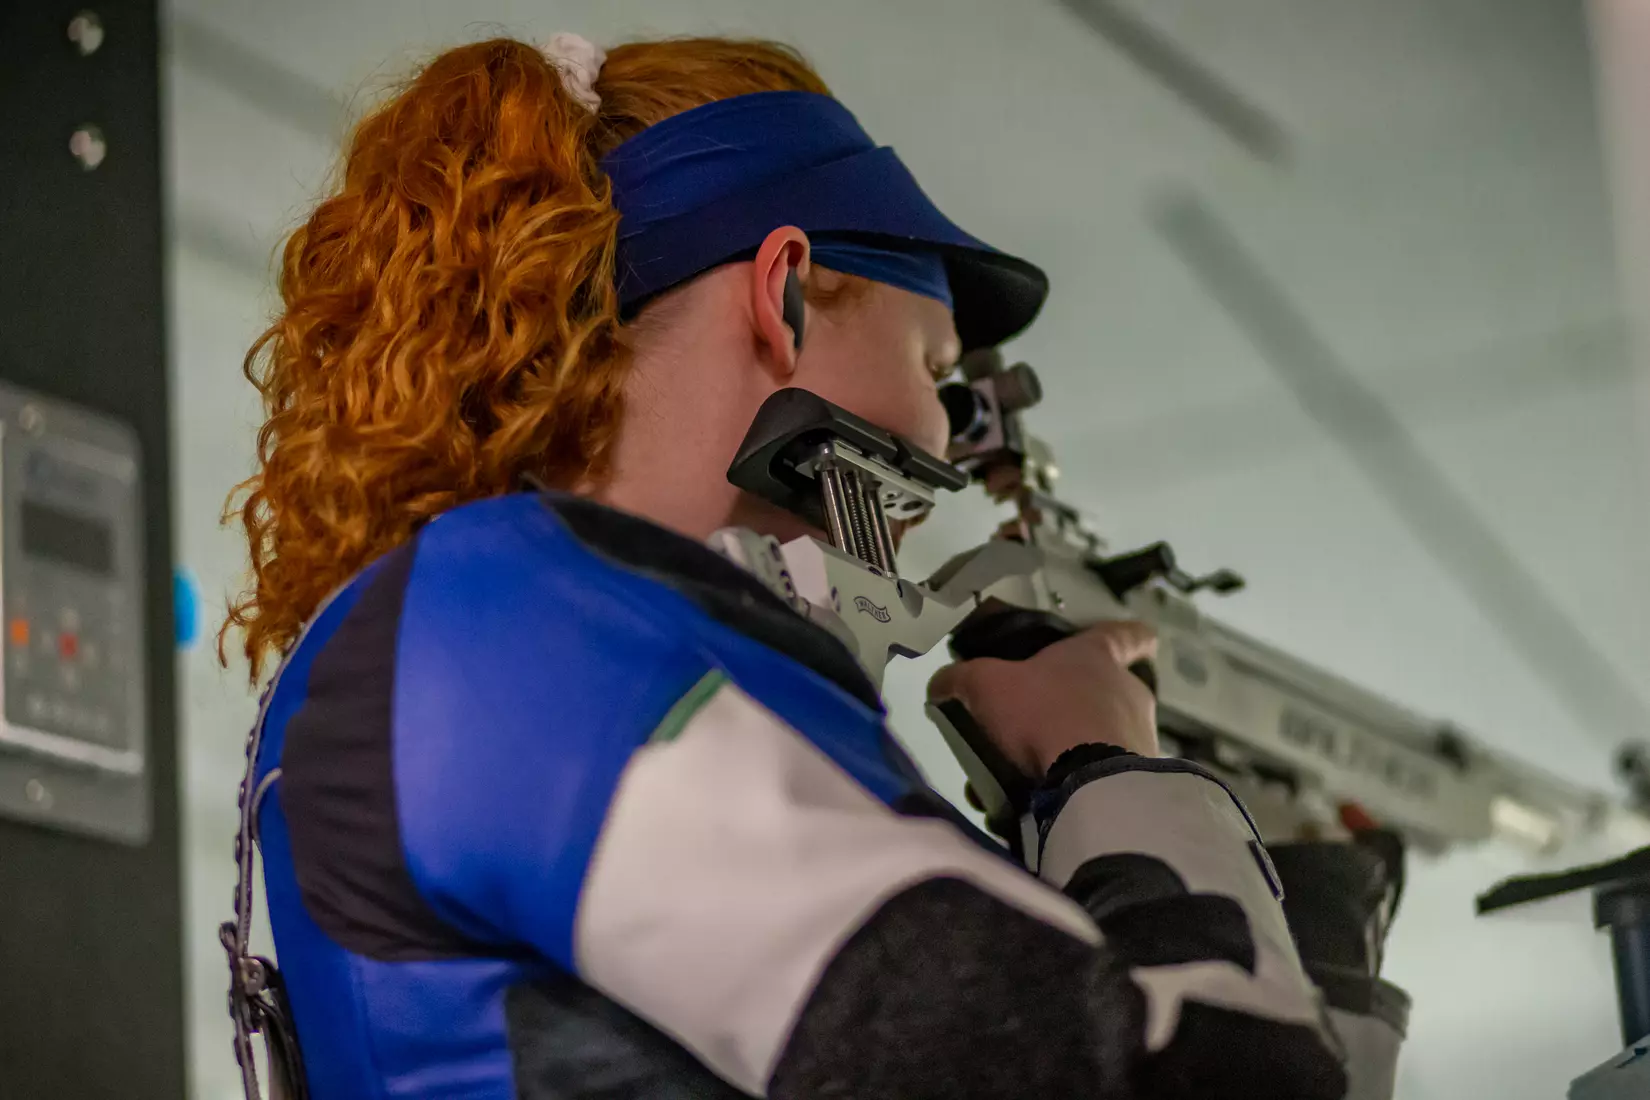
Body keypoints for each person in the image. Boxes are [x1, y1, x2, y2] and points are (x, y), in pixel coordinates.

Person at [222, 32, 1354, 1099]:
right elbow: (1205, 1073)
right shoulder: (519, 627)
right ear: (787, 295)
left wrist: (1318, 902)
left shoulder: (490, 634)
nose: (948, 439)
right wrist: (1108, 762)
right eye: (935, 364)